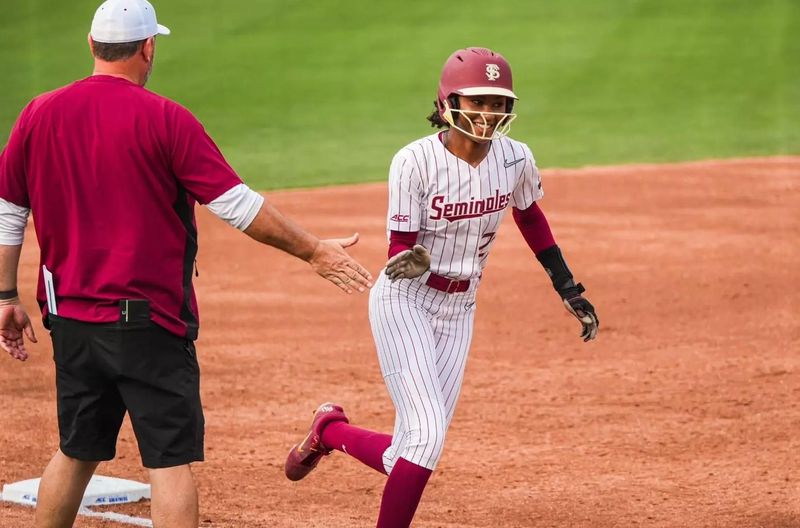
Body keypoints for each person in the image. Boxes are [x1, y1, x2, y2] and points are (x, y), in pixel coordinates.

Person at [0, 1, 374, 527]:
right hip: (147, 324)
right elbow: (238, 206)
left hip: (72, 321)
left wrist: (5, 297)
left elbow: (8, 210)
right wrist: (313, 250)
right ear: (148, 47)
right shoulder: (165, 118)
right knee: (169, 463)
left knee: (76, 450)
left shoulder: (38, 113)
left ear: (91, 45)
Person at [283, 47, 599, 527]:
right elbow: (399, 250)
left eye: (498, 103)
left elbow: (530, 216)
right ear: (449, 101)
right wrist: (407, 262)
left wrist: (567, 286)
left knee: (412, 451)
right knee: (427, 440)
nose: (488, 113)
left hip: (461, 309)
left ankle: (330, 432)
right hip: (406, 301)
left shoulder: (515, 159)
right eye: (478, 100)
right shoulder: (414, 162)